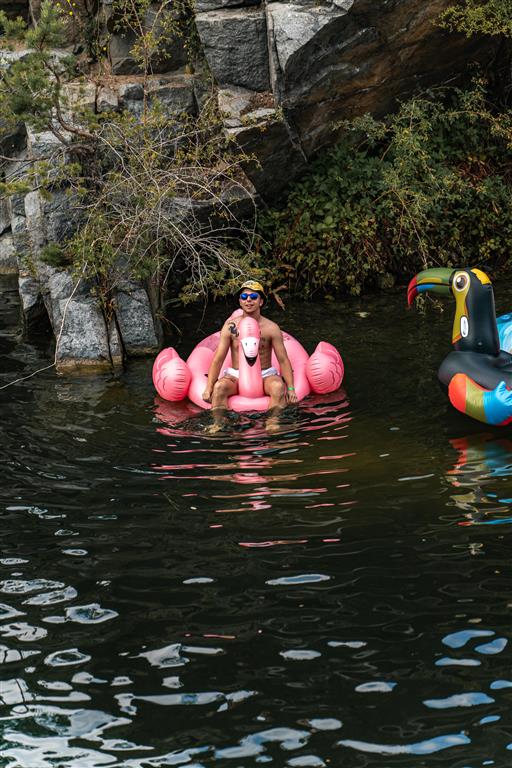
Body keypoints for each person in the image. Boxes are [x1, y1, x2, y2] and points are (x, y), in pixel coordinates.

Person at [202, 280, 298, 431]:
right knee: (219, 388)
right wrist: (209, 387)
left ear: (261, 301)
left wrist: (291, 389)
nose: (248, 300)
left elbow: (283, 359)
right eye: (244, 296)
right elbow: (218, 358)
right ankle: (218, 423)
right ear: (240, 301)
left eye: (253, 296)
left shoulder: (271, 328)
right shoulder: (230, 326)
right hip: (236, 375)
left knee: (278, 387)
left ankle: (273, 422)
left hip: (265, 374)